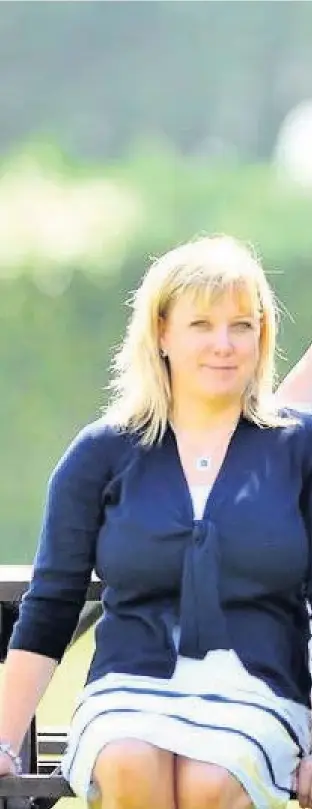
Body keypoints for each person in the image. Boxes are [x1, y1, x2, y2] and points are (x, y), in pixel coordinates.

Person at [0, 234, 312, 809]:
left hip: (259, 688)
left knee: (210, 781)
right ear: (162, 333)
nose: (224, 344)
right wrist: (2, 740)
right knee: (126, 760)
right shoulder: (101, 452)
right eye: (202, 325)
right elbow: (49, 608)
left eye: (242, 325)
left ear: (262, 336)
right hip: (129, 686)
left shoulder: (299, 447)